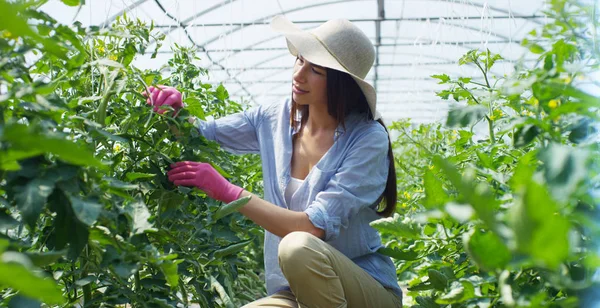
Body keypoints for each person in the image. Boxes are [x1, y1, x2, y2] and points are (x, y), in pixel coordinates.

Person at [144, 15, 403, 308]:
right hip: (295, 292)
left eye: (315, 70)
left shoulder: (367, 139)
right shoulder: (273, 118)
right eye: (300, 60)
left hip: (365, 292)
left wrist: (228, 192)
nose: (299, 74)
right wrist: (175, 112)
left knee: (297, 246)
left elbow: (310, 229)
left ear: (342, 84)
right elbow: (202, 135)